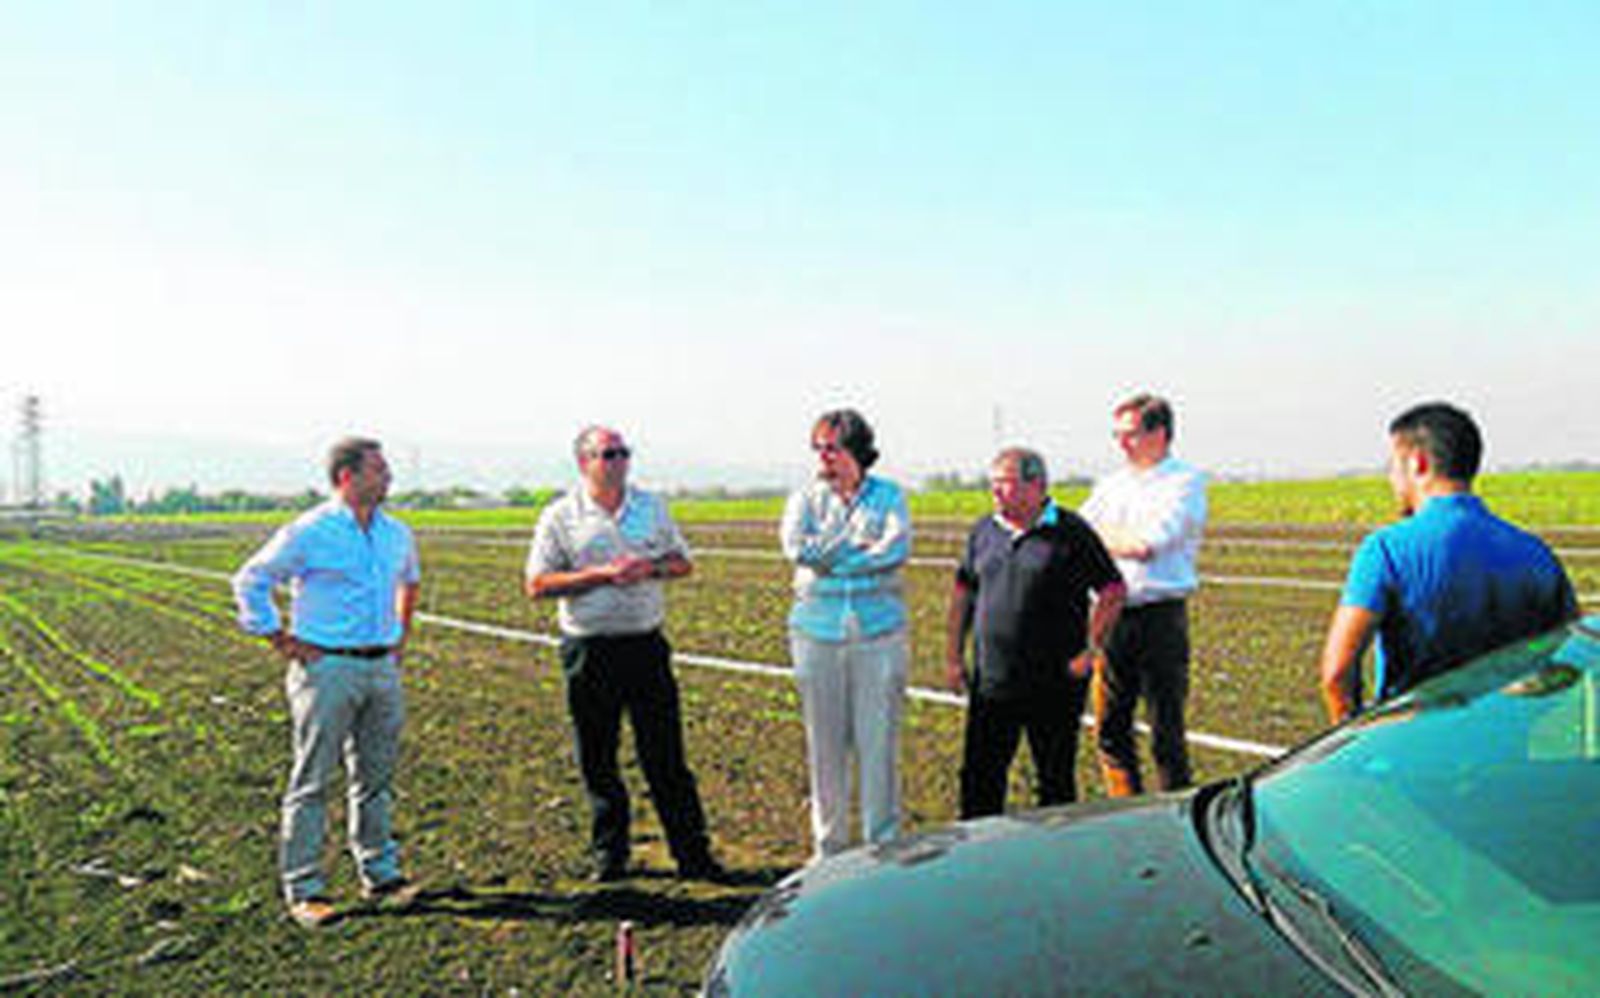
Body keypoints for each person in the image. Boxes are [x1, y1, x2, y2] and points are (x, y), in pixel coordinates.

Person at [232, 437, 420, 928]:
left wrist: (400, 635)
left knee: (375, 778)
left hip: (382, 667)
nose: (388, 477)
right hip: (327, 670)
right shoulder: (310, 531)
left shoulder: (396, 533)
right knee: (313, 778)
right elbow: (250, 579)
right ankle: (305, 888)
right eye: (379, 469)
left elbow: (410, 580)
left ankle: (381, 873)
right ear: (347, 476)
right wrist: (279, 638)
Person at [525, 426, 724, 883]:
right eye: (607, 454)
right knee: (598, 758)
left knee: (666, 757)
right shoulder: (560, 516)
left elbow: (683, 562)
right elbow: (537, 584)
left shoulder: (651, 507)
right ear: (584, 463)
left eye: (623, 453)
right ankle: (610, 856)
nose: (617, 462)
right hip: (589, 650)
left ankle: (693, 854)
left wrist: (650, 568)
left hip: (645, 646)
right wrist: (602, 575)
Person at [1319, 402, 1578, 723]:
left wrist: (1353, 744)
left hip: (1416, 752)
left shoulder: (1385, 550)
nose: (1392, 480)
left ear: (1418, 463)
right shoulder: (1537, 553)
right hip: (1503, 749)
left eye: (1393, 466)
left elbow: (1337, 673)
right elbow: (1569, 659)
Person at [946, 448, 1126, 818]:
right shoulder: (984, 531)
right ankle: (979, 858)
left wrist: (1090, 650)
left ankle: (1054, 858)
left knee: (1054, 779)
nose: (996, 493)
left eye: (1006, 484)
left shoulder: (1070, 532)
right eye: (993, 484)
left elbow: (1112, 590)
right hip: (993, 681)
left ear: (1037, 485)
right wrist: (953, 658)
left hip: (1054, 683)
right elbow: (963, 593)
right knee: (981, 776)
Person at [779, 409, 911, 859]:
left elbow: (894, 550)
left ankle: (883, 842)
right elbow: (797, 550)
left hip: (879, 634)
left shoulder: (889, 495)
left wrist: (830, 558)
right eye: (817, 448)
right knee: (824, 744)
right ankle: (829, 847)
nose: (823, 458)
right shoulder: (804, 499)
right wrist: (853, 549)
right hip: (816, 634)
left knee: (879, 742)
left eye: (831, 448)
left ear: (855, 450)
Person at [1080, 394, 1208, 797]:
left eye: (1131, 434)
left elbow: (1147, 543)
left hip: (1160, 617)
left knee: (1166, 732)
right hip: (1113, 614)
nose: (1122, 444)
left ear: (1160, 434)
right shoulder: (1111, 485)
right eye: (1117, 435)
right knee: (1110, 727)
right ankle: (1126, 811)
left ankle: (1176, 812)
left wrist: (1098, 540)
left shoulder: (1184, 482)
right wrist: (1103, 541)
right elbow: (1078, 533)